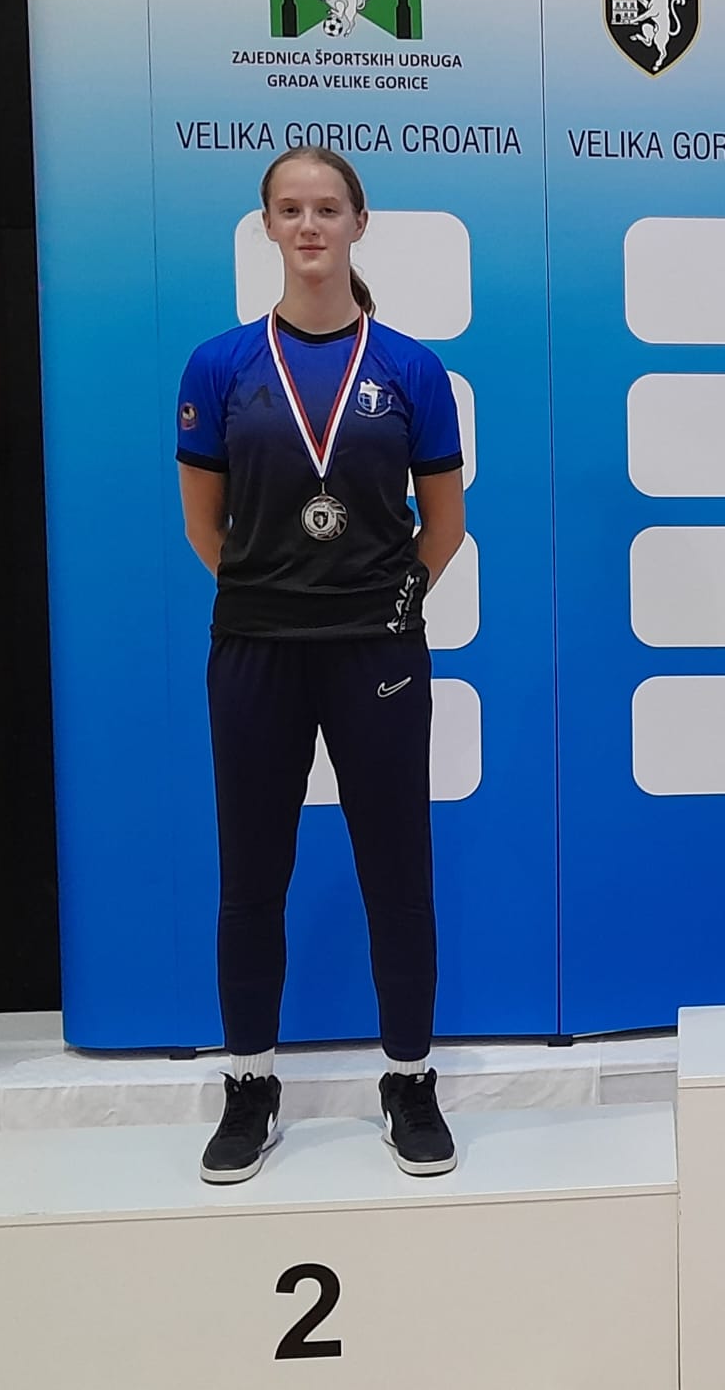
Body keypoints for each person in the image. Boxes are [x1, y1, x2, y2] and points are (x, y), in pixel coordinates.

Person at [175, 146, 466, 1182]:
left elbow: (444, 524)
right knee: (252, 873)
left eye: (328, 209)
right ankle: (250, 1085)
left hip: (376, 649)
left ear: (358, 223)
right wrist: (272, 598)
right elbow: (203, 523)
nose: (310, 226)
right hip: (254, 650)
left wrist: (388, 604)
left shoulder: (412, 370)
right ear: (267, 226)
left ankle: (410, 1079)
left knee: (397, 868)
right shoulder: (218, 367)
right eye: (291, 210)